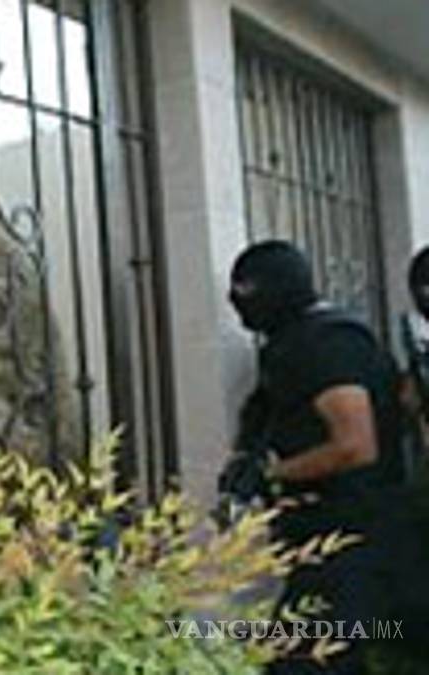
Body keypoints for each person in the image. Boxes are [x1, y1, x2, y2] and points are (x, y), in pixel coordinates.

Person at [223, 241, 406, 674]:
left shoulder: (326, 344)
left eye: (246, 291)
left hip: (351, 540)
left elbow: (355, 445)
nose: (238, 304)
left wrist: (271, 473)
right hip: (326, 542)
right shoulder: (300, 342)